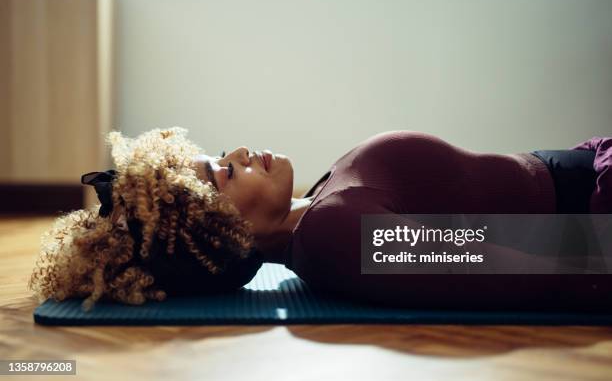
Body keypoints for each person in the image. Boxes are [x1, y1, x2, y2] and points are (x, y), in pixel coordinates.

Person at [29, 127, 612, 311]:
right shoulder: (336, 238)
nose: (236, 154)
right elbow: (518, 263)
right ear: (222, 234)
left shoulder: (320, 210)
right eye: (223, 174)